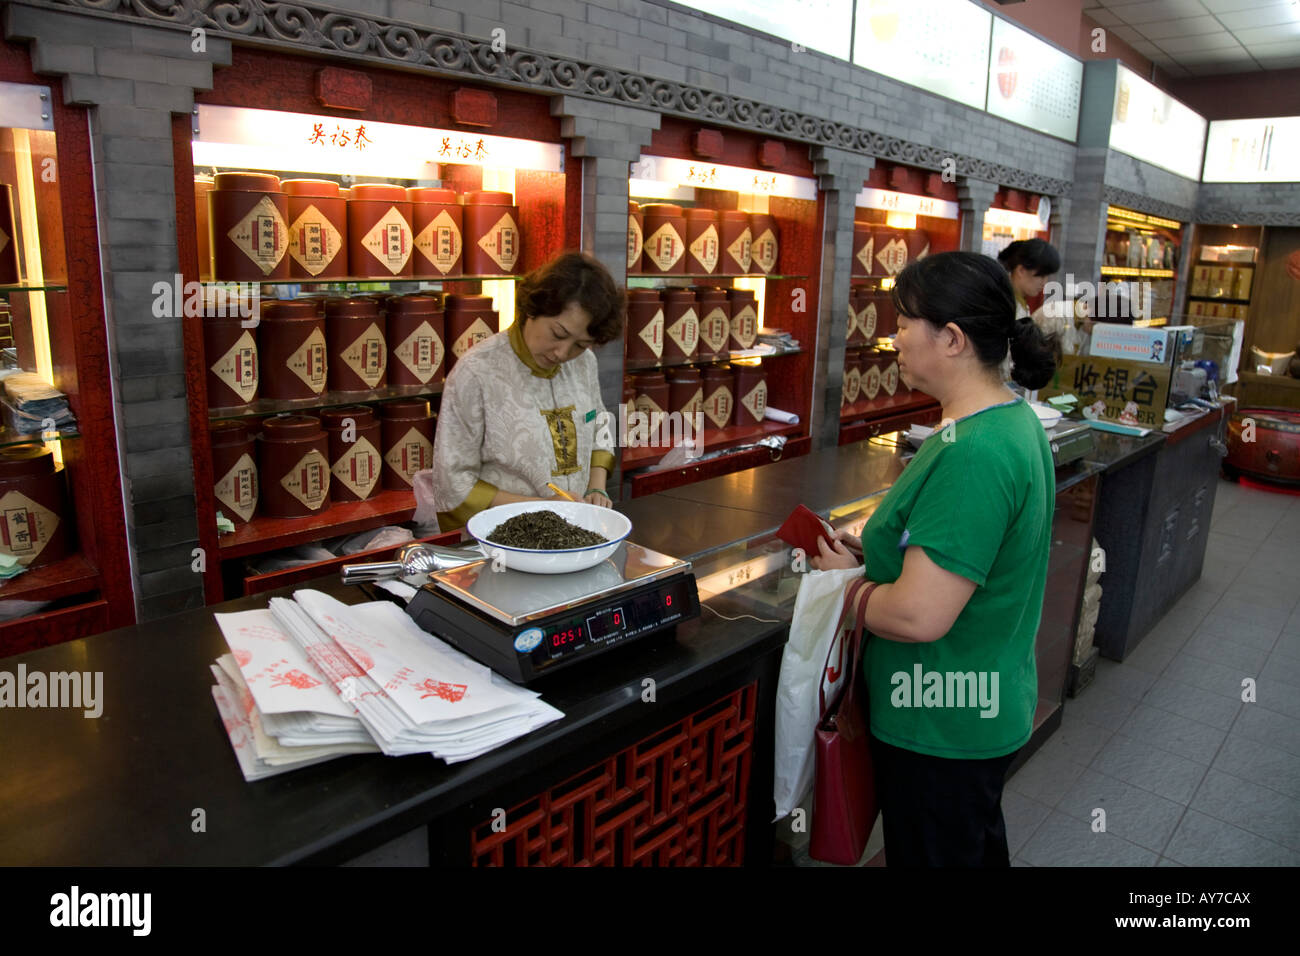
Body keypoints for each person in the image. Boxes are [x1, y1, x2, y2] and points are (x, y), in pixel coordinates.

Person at [813, 251, 1059, 867]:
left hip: (941, 718)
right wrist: (873, 554)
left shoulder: (974, 452)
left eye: (902, 323)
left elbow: (920, 616)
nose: (891, 338)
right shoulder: (1005, 420)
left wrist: (846, 587)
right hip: (974, 701)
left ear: (951, 339)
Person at [431, 251, 624, 531]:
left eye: (580, 344)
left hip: (577, 529)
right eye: (558, 334)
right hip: (503, 537)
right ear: (533, 308)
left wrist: (597, 487)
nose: (562, 353)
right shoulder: (477, 371)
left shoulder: (584, 363)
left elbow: (600, 424)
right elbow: (453, 483)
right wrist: (541, 506)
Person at [997, 238, 1090, 353]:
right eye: (1041, 276)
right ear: (1021, 270)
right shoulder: (1001, 304)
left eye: (1047, 277)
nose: (1044, 282)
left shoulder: (1018, 302)